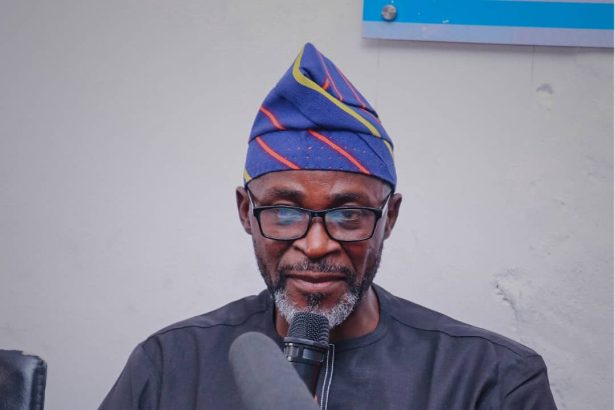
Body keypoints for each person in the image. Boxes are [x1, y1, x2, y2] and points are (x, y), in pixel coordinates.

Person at [99, 43, 557, 409]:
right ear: (245, 212)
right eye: (285, 212)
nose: (316, 245)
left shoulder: (490, 379)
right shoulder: (171, 365)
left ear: (389, 218)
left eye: (348, 214)